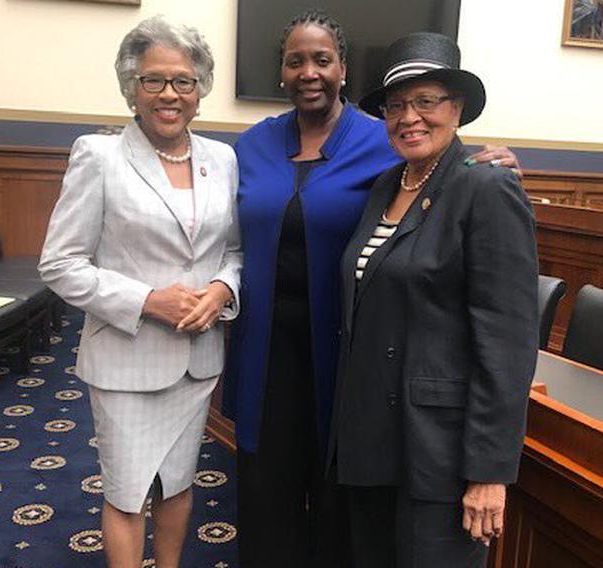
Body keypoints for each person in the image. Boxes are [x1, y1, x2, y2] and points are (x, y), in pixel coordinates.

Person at [222, 10, 522, 568]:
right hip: (274, 360)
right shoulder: (257, 149)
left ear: (342, 69)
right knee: (295, 516)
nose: (410, 117)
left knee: (360, 530)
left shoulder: (403, 155)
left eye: (322, 59)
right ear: (281, 72)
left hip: (359, 372)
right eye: (295, 61)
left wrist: (494, 165)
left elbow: (503, 332)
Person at [38, 16, 241, 568]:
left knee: (177, 484)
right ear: (132, 88)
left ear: (200, 89)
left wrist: (222, 290)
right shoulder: (98, 156)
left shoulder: (221, 159)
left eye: (184, 80)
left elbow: (234, 251)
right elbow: (59, 263)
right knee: (127, 494)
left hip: (197, 363)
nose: (170, 94)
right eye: (154, 80)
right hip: (126, 363)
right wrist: (148, 300)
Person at [331, 32, 538, 567]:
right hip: (373, 440)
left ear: (458, 108)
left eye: (427, 102)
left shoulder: (486, 187)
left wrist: (490, 469)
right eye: (397, 105)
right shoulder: (385, 185)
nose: (410, 117)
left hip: (440, 455)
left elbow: (508, 339)